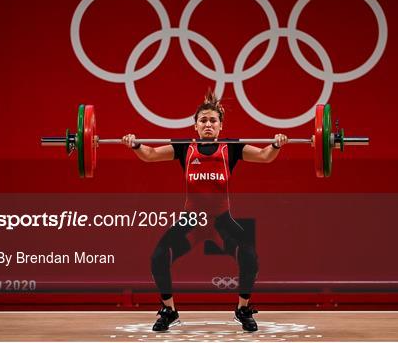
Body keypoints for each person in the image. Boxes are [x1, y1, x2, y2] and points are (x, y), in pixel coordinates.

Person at [122, 90, 288, 332]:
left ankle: (243, 309)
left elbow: (265, 157)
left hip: (222, 221)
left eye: (213, 121)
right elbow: (149, 155)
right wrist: (134, 143)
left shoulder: (231, 147)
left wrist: (276, 144)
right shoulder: (183, 148)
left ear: (221, 126)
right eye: (203, 120)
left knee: (249, 254)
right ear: (196, 126)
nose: (208, 124)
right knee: (158, 256)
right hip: (192, 220)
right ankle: (169, 310)